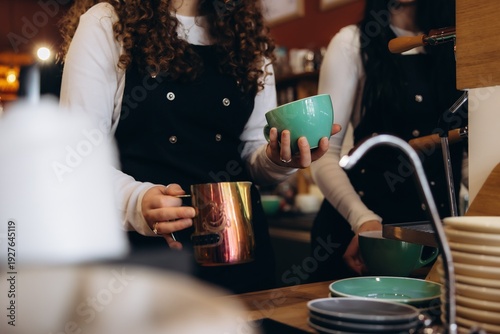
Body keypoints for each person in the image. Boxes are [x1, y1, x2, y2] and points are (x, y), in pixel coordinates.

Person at [58, 0, 340, 294]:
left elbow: (252, 154)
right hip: (146, 264)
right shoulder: (106, 23)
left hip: (241, 259)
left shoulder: (248, 35)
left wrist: (279, 158)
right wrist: (136, 201)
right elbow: (76, 156)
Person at [309, 0, 466, 281]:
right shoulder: (351, 43)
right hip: (364, 239)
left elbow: (466, 153)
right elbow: (323, 154)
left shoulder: (459, 40)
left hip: (438, 241)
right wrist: (363, 220)